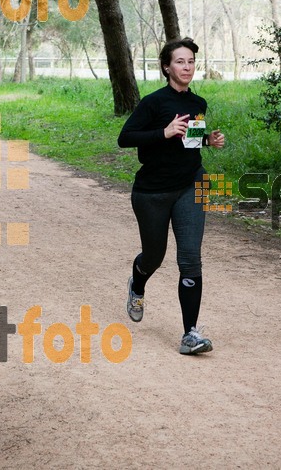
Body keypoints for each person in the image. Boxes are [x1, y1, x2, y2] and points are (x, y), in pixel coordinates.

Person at [117, 37, 225, 355]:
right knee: (154, 256)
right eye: (180, 61)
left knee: (190, 258)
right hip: (152, 191)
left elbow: (188, 141)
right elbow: (126, 138)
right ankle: (138, 283)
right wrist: (162, 132)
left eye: (190, 61)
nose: (187, 67)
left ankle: (190, 334)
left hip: (191, 184)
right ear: (167, 67)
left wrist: (207, 140)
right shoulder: (153, 103)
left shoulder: (197, 104)